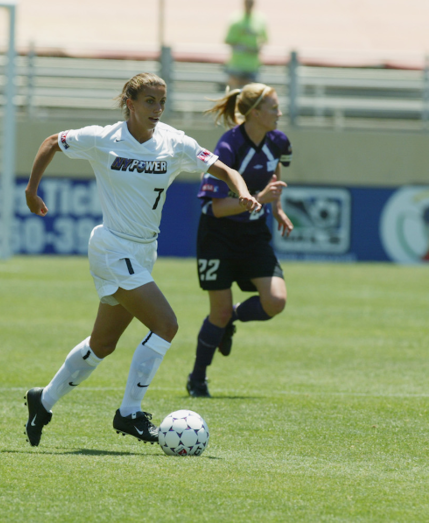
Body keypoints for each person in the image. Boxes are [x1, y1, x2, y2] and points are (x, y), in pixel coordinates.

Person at [23, 72, 261, 447]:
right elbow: (53, 141)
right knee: (166, 325)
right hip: (111, 247)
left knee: (102, 343)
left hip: (143, 252)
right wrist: (31, 190)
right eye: (150, 101)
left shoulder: (175, 143)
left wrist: (244, 192)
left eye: (162, 102)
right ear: (130, 104)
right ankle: (129, 414)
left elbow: (225, 169)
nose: (158, 109)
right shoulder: (104, 139)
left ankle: (43, 400)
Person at [186, 83, 294, 398]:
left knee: (275, 301)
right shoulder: (229, 147)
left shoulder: (279, 142)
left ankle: (231, 318)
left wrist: (276, 207)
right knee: (215, 314)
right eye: (274, 108)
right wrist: (260, 198)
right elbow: (214, 207)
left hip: (253, 233)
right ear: (255, 113)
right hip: (218, 235)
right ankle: (197, 379)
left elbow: (273, 176)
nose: (280, 113)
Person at [224, 0, 269, 90]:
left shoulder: (260, 20)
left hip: (253, 65)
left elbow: (265, 39)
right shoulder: (236, 19)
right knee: (234, 94)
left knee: (250, 96)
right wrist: (243, 48)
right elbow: (228, 40)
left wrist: (258, 48)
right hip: (237, 64)